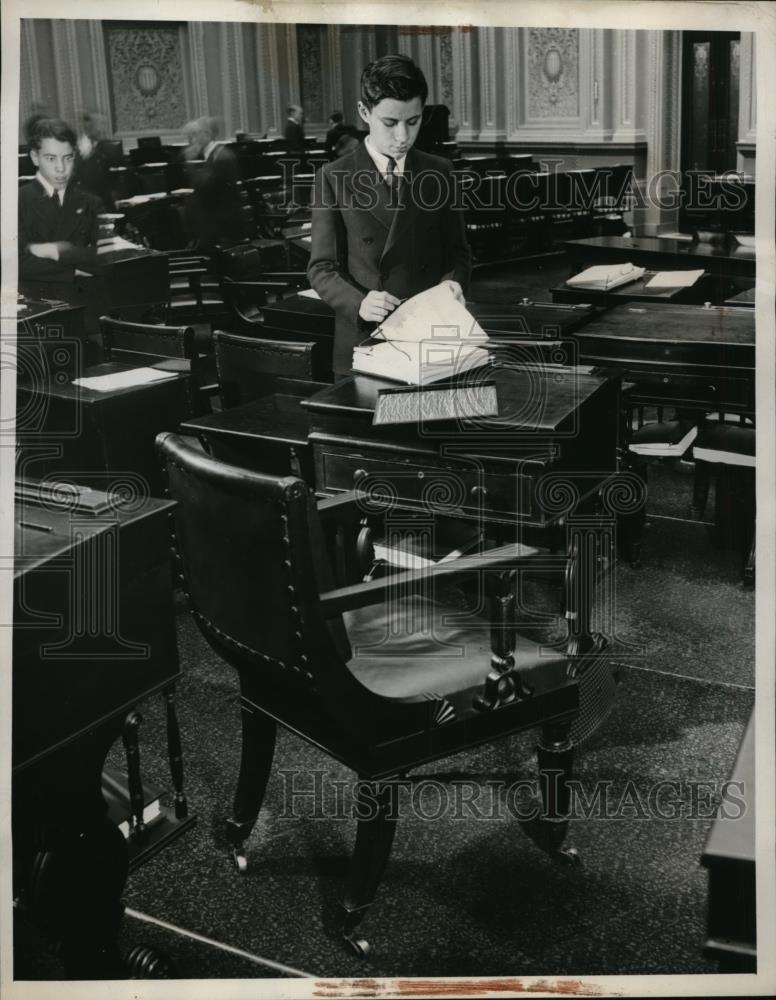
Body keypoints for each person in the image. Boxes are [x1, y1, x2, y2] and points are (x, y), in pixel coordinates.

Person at [307, 54, 471, 378]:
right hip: (366, 340)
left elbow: (459, 253)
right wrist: (359, 303)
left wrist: (452, 285)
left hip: (430, 336)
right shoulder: (333, 176)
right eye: (390, 123)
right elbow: (321, 268)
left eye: (413, 121)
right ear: (364, 112)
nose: (403, 137)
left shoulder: (439, 171)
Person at [18, 117, 102, 302]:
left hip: (86, 304)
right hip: (38, 306)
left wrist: (56, 251)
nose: (61, 169)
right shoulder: (18, 202)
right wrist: (72, 269)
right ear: (34, 157)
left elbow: (105, 257)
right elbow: (17, 263)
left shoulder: (89, 202)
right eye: (51, 158)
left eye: (67, 158)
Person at [182, 116, 245, 250]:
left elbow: (202, 188)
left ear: (207, 134)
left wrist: (190, 163)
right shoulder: (215, 154)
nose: (192, 139)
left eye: (195, 134)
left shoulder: (221, 157)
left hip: (221, 226)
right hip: (216, 220)